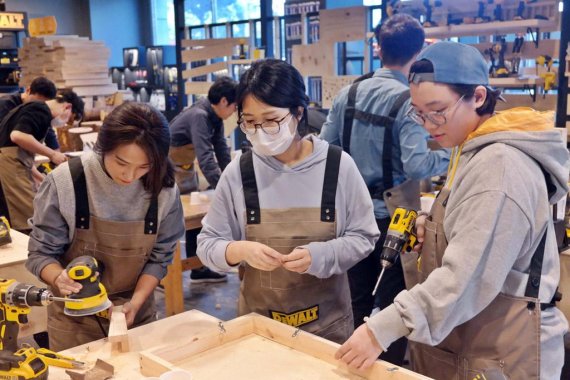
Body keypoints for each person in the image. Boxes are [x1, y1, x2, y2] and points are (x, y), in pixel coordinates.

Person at [336, 41, 569, 379]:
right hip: (474, 338)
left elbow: (467, 275)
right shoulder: (470, 148)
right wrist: (435, 227)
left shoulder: (499, 166)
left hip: (504, 348)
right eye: (418, 113)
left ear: (477, 96)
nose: (428, 124)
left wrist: (380, 329)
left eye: (438, 110)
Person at [197, 59, 379, 344]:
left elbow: (364, 236)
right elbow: (207, 244)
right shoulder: (239, 172)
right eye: (250, 122)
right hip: (258, 331)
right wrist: (238, 249)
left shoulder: (338, 166)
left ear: (297, 112)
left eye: (271, 120)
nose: (260, 131)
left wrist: (321, 256)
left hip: (328, 330)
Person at [320, 13, 449, 364]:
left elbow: (324, 150)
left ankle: (350, 365)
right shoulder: (408, 102)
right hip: (395, 219)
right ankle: (387, 369)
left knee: (356, 297)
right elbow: (418, 165)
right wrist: (451, 157)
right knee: (393, 305)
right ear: (419, 52)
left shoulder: (347, 94)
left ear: (378, 48)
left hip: (348, 216)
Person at [26, 102, 185, 351]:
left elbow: (160, 257)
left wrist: (135, 302)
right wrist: (59, 278)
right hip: (74, 321)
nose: (130, 175)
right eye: (121, 162)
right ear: (103, 146)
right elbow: (40, 253)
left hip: (134, 314)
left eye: (144, 166)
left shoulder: (163, 190)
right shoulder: (66, 182)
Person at [169, 76, 238, 283]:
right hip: (168, 168)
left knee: (197, 218)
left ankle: (197, 268)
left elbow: (221, 150)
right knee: (172, 218)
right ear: (224, 101)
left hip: (184, 167)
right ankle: (165, 276)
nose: (235, 111)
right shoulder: (200, 116)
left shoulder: (214, 117)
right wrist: (224, 190)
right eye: (234, 106)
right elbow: (206, 156)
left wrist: (230, 181)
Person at [0, 90, 72, 232]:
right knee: (30, 217)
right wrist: (52, 154)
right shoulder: (41, 110)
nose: (64, 124)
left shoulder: (34, 110)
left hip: (11, 165)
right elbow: (17, 136)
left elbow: (21, 156)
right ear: (67, 107)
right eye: (69, 118)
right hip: (8, 168)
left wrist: (42, 178)